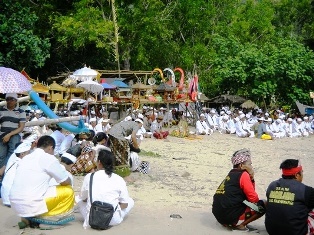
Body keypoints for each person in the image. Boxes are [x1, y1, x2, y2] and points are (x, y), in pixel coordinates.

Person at [9, 136, 74, 225]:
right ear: (51, 148)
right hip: (30, 203)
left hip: (15, 204)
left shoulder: (26, 158)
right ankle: (45, 218)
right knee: (68, 191)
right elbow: (65, 181)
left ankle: (28, 217)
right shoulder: (48, 158)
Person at [76, 149, 134, 229]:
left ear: (99, 162)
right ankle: (114, 215)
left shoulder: (90, 176)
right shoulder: (119, 179)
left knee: (77, 198)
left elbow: (83, 199)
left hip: (92, 219)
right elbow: (125, 204)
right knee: (130, 201)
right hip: (112, 220)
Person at [212, 149, 266, 232]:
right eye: (250, 164)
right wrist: (251, 178)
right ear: (241, 165)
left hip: (220, 217)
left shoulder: (231, 174)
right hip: (231, 218)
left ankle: (238, 222)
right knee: (264, 204)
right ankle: (241, 225)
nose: (251, 166)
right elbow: (253, 198)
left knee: (241, 201)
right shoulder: (243, 174)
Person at [265, 159, 314, 235]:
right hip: (296, 232)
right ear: (297, 175)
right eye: (302, 172)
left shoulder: (272, 185)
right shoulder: (306, 190)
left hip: (272, 230)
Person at [0, 93, 26, 177]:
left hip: (14, 133)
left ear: (16, 100)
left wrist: (9, 134)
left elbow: (21, 127)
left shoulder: (21, 112)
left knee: (12, 152)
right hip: (2, 134)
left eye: (12, 99)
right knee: (1, 155)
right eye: (7, 99)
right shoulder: (1, 110)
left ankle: (3, 170)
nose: (9, 101)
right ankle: (3, 174)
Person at [1, 142, 31, 207]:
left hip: (6, 198)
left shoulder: (15, 159)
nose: (30, 155)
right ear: (22, 154)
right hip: (12, 200)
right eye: (28, 153)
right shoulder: (21, 164)